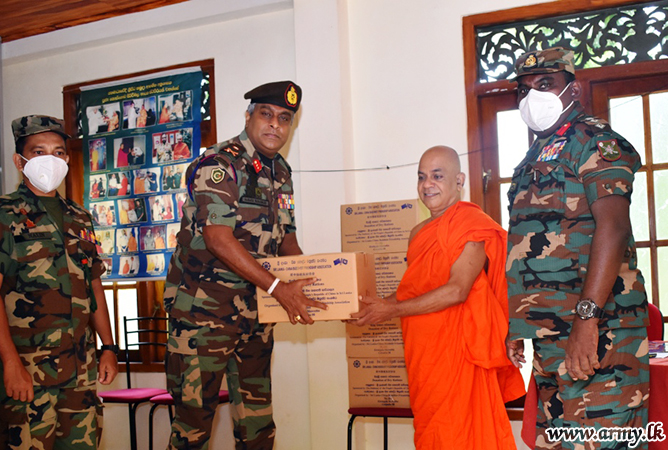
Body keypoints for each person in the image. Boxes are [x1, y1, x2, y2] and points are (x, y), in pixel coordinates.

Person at [164, 80, 325, 449]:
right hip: (202, 315)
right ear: (249, 116)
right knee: (193, 428)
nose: (275, 126)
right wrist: (277, 288)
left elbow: (287, 241)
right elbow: (219, 238)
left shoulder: (280, 173)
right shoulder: (220, 164)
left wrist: (323, 286)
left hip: (256, 314)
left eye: (285, 119)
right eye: (266, 114)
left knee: (257, 426)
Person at [505, 47, 649, 449]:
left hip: (600, 335)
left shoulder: (597, 143)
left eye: (545, 83)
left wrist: (587, 319)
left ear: (575, 89)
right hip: (550, 339)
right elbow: (527, 241)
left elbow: (614, 228)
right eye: (524, 89)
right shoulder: (535, 153)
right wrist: (518, 322)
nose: (533, 96)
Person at [352, 146, 524, 449]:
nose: (427, 184)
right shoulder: (418, 232)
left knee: (462, 434)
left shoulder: (471, 225)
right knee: (432, 432)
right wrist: (370, 307)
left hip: (459, 352)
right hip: (424, 354)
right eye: (421, 177)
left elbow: (458, 290)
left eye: (437, 176)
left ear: (459, 180)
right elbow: (411, 292)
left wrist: (390, 311)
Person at [0, 115, 119, 449]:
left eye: (58, 152)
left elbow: (93, 285)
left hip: (79, 373)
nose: (49, 160)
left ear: (66, 159)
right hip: (25, 372)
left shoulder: (79, 217)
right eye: (38, 152)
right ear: (19, 161)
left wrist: (109, 347)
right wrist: (10, 363)